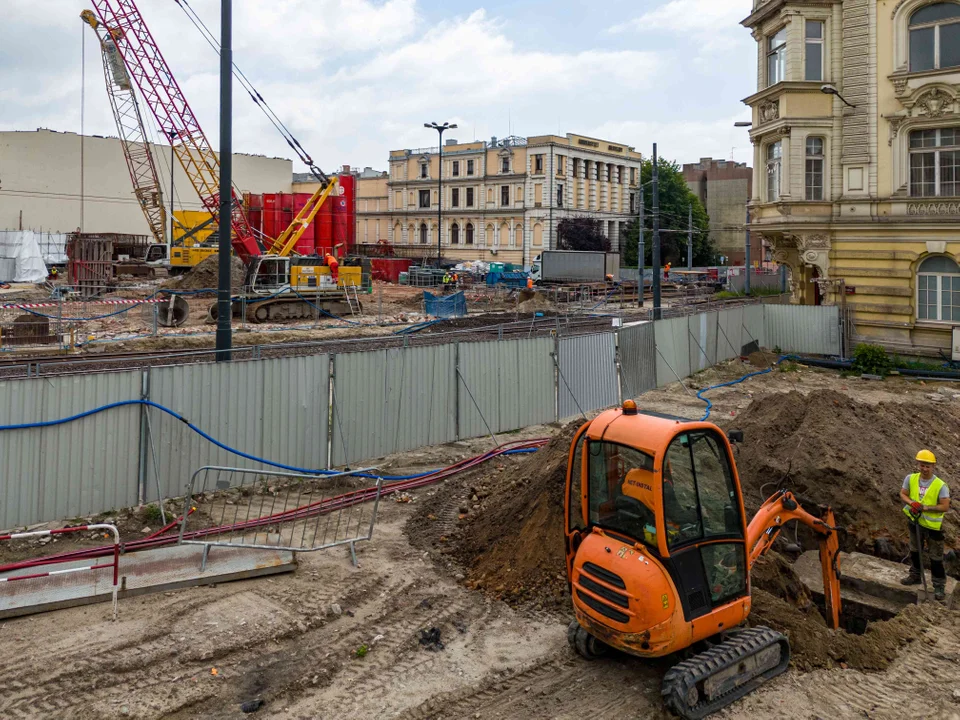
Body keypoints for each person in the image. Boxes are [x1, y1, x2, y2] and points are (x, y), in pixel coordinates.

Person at [900, 449, 950, 601]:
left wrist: (926, 508)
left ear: (933, 466)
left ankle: (939, 586)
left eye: (927, 466)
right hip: (915, 522)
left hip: (933, 528)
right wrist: (912, 503)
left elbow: (945, 506)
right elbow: (903, 493)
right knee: (915, 551)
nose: (924, 468)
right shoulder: (911, 478)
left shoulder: (940, 485)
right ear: (918, 464)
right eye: (922, 465)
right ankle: (915, 575)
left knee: (936, 557)